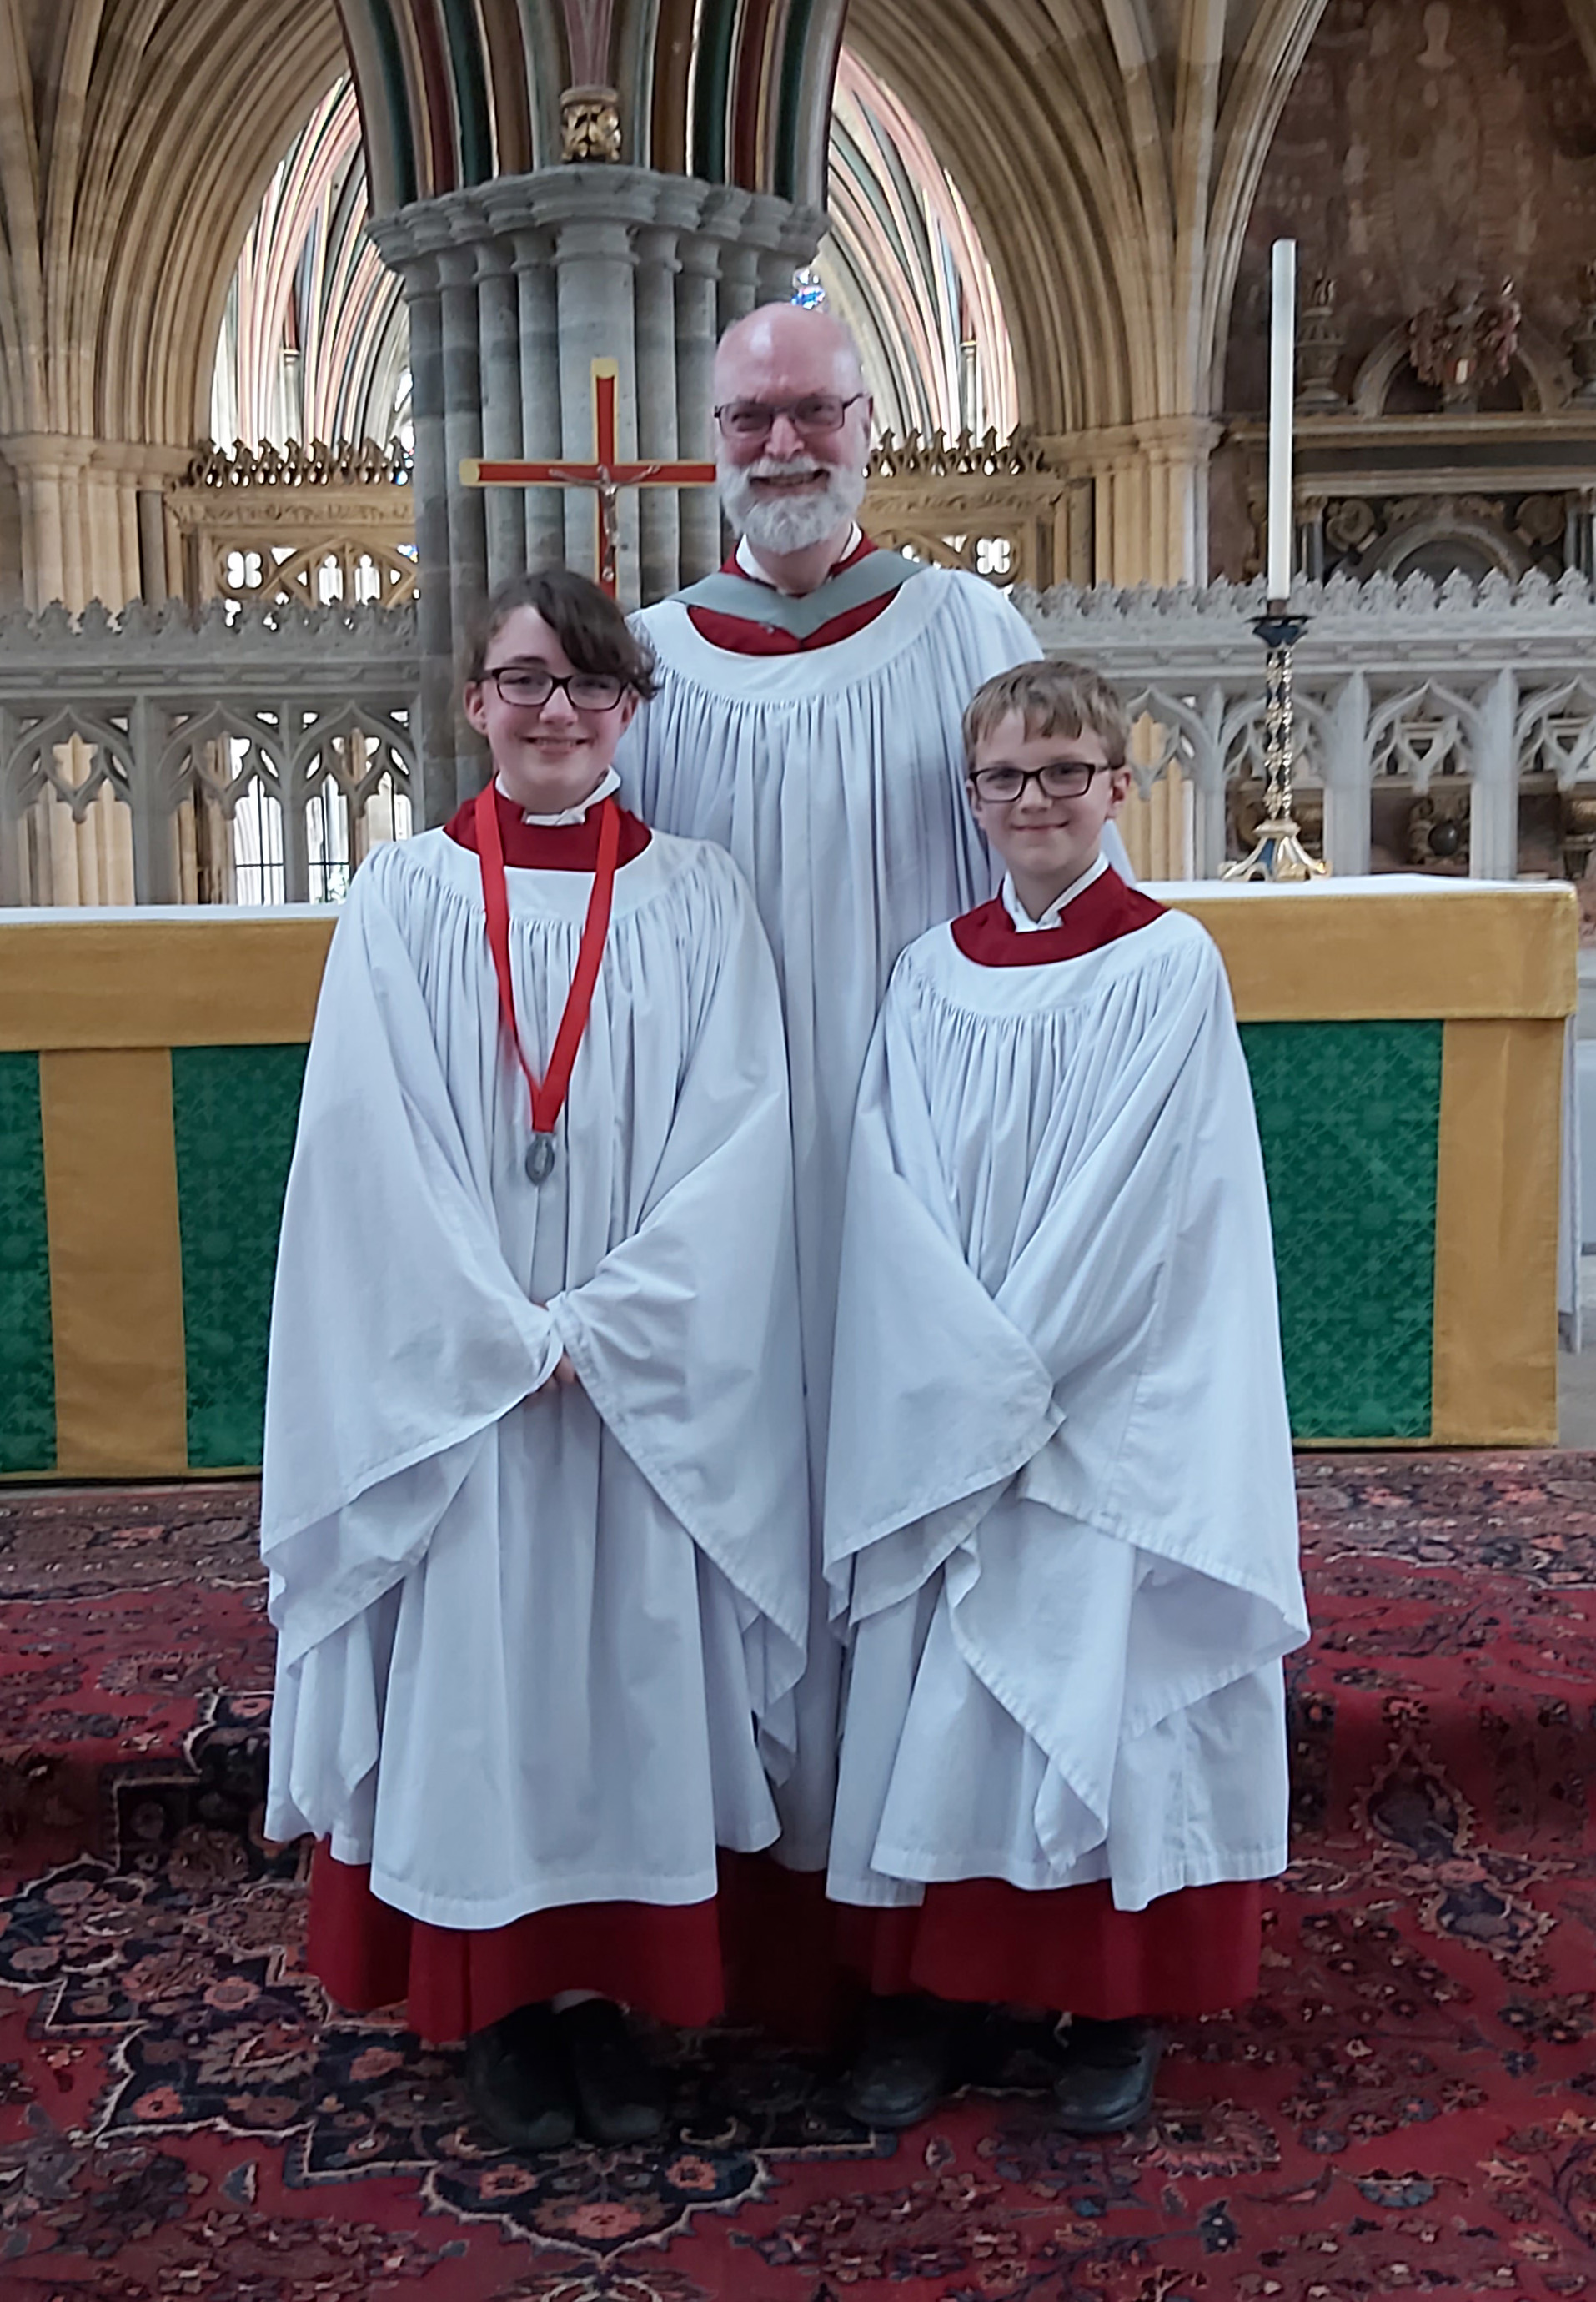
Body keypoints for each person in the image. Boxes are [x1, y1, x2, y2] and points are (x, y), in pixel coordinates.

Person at [262, 568, 808, 2153]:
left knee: (626, 1672)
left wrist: (618, 1323)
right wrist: (503, 1332)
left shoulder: (701, 896)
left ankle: (614, 2006)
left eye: (585, 683)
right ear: (473, 702)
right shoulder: (405, 895)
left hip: (637, 1385)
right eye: (522, 680)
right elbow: (370, 1147)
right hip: (472, 1384)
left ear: (632, 706)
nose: (554, 709)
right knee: (485, 1672)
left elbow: (741, 1133)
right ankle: (501, 2004)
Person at [617, 301, 1132, 1885]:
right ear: (710, 446)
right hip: (720, 1157)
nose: (784, 447)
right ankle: (747, 1847)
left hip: (932, 1147)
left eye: (812, 414)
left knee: (920, 1472)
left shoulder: (967, 629)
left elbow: (1062, 881)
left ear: (866, 424)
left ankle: (916, 1864)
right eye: (750, 420)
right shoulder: (648, 668)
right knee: (743, 1453)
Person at [822, 660, 1308, 2134]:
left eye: (1061, 772)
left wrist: (1009, 1379)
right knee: (940, 1702)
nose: (1031, 802)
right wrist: (956, 1376)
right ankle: (933, 1999)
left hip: (1101, 1407)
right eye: (1003, 779)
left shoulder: (1166, 963)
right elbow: (884, 1186)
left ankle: (1108, 2007)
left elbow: (1144, 1202)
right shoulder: (930, 969)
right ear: (969, 799)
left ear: (1118, 783)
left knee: (1097, 1681)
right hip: (952, 1403)